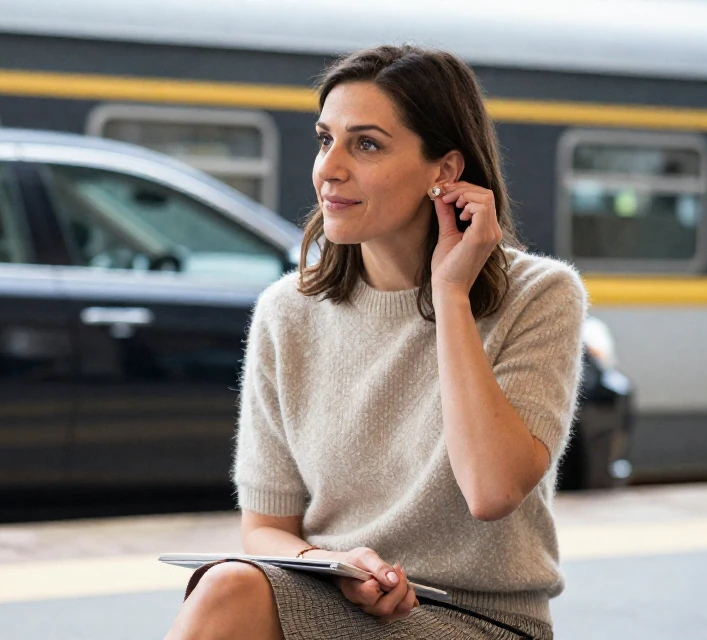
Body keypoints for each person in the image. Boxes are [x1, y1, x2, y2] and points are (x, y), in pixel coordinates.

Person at [165, 44, 587, 640]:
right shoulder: (286, 313)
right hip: (336, 598)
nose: (329, 168)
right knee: (229, 583)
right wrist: (334, 567)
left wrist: (451, 295)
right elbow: (264, 528)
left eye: (365, 144)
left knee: (230, 591)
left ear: (444, 171)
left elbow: (492, 491)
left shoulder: (541, 296)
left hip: (480, 619)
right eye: (324, 139)